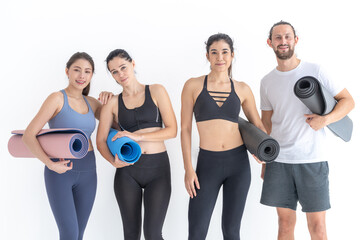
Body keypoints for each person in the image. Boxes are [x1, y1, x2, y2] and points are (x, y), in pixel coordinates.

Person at [260, 21, 355, 240]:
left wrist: (326, 119)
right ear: (270, 43)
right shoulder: (266, 82)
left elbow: (348, 101)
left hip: (312, 159)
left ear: (295, 40)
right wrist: (266, 159)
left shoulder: (315, 70)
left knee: (318, 228)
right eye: (278, 38)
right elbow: (267, 125)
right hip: (280, 161)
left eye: (287, 37)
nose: (283, 41)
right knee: (284, 225)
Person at [181, 33, 266, 240]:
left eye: (225, 52)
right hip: (207, 164)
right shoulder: (192, 85)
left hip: (238, 165)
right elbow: (185, 129)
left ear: (232, 55)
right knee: (197, 232)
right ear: (208, 56)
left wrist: (265, 154)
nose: (220, 57)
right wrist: (188, 169)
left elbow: (258, 124)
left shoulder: (243, 88)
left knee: (231, 231)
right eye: (214, 52)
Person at [22, 52, 107, 240]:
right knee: (69, 234)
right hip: (59, 172)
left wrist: (110, 98)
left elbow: (115, 121)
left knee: (79, 235)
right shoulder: (57, 99)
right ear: (67, 71)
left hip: (88, 172)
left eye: (87, 71)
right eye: (77, 70)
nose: (81, 76)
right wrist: (50, 164)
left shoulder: (92, 103)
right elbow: (29, 136)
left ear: (92, 76)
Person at [96, 49, 177, 240]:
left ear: (133, 64)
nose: (120, 74)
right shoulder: (113, 102)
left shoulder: (156, 90)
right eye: (114, 72)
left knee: (153, 234)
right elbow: (100, 140)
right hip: (128, 172)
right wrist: (112, 161)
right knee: (131, 235)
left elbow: (172, 130)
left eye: (123, 67)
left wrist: (138, 137)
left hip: (158, 169)